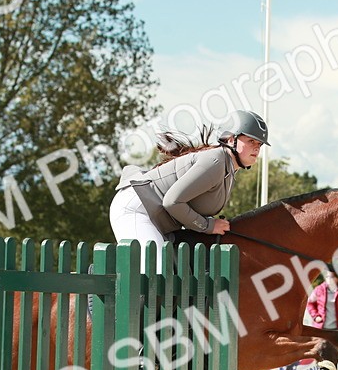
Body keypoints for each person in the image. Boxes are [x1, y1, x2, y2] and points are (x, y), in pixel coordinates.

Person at [110, 109, 268, 270]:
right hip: (136, 209)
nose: (257, 148)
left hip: (155, 217)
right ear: (231, 139)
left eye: (259, 144)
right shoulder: (216, 161)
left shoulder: (229, 171)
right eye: (251, 141)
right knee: (157, 271)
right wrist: (208, 226)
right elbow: (172, 202)